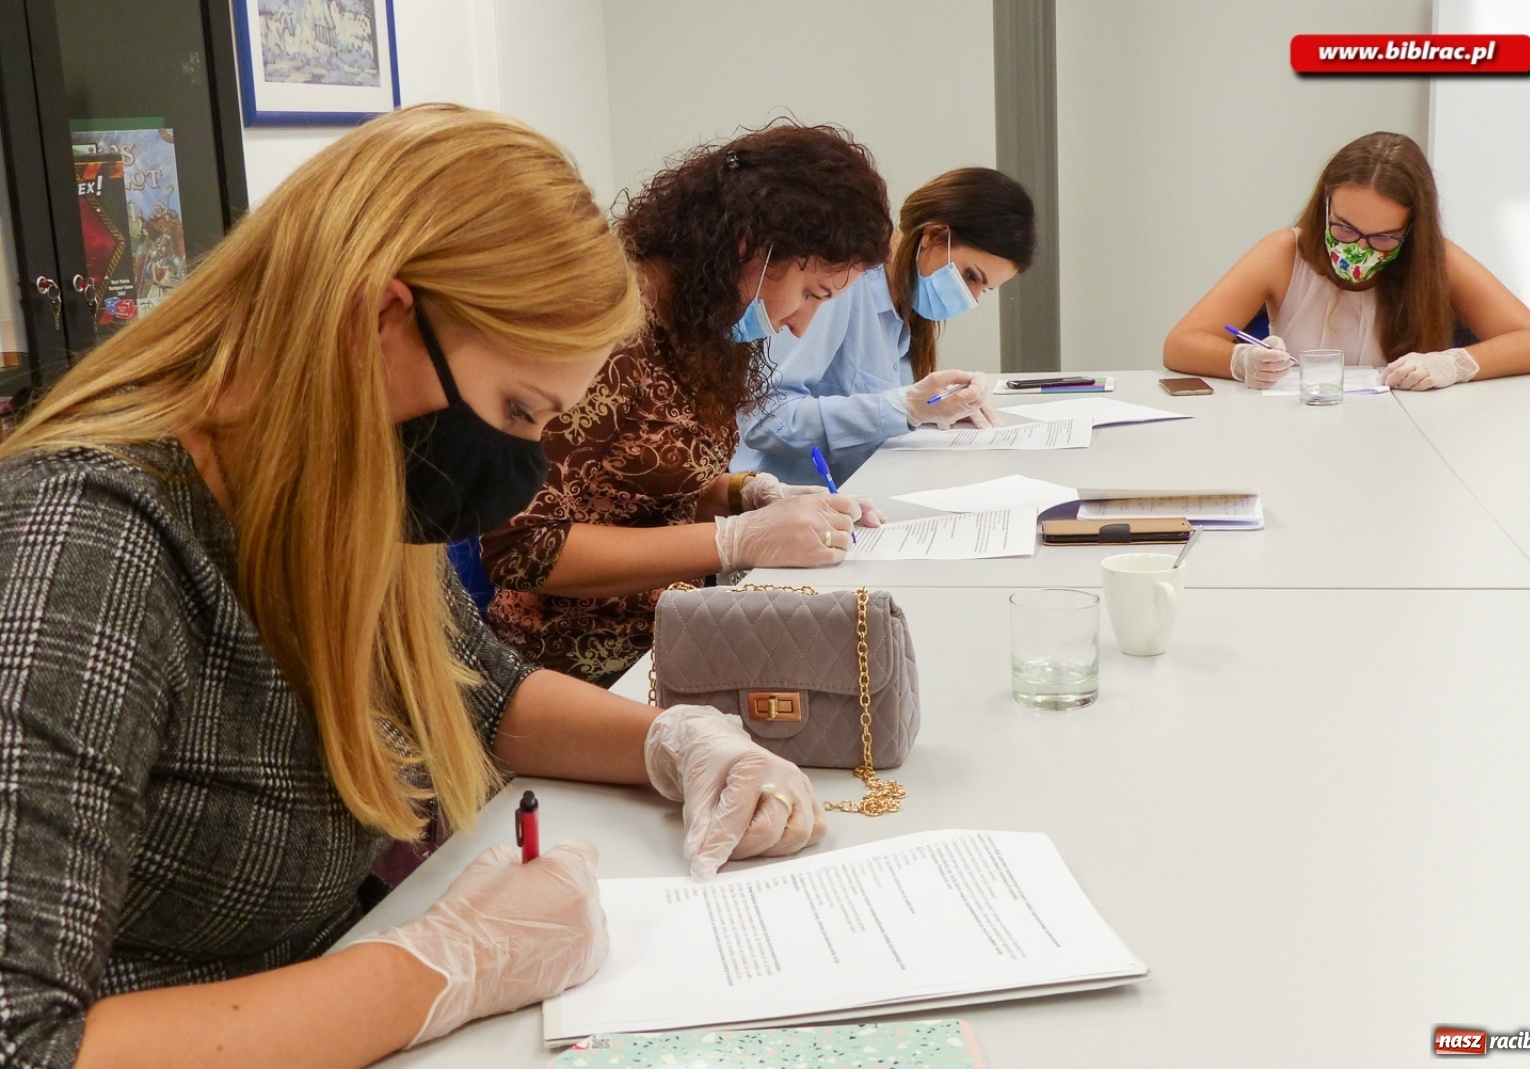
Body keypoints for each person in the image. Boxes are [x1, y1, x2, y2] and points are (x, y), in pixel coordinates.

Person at [0, 104, 826, 1069]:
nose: (519, 467)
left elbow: (484, 695)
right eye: (517, 409)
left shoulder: (332, 484)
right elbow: (24, 1039)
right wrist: (440, 967)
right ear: (381, 315)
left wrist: (680, 744)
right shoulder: (89, 539)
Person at [482, 122, 894, 685]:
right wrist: (730, 541)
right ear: (751, 246)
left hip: (672, 634)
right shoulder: (610, 332)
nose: (800, 325)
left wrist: (749, 495)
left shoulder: (703, 322)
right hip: (577, 667)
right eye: (810, 294)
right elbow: (522, 546)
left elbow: (639, 480)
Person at [1163, 131, 1530, 390]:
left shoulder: (1437, 259)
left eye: (1384, 237)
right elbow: (1180, 344)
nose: (1360, 249)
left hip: (1407, 445)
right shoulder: (1283, 253)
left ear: (1411, 231)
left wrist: (1454, 364)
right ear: (1325, 208)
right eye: (1345, 229)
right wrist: (1241, 360)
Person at [733, 167, 1036, 486]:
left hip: (860, 494)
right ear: (933, 236)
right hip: (788, 504)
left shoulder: (904, 306)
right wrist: (905, 408)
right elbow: (765, 419)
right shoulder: (840, 289)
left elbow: (876, 406)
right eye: (971, 277)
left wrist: (934, 408)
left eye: (983, 291)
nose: (969, 298)